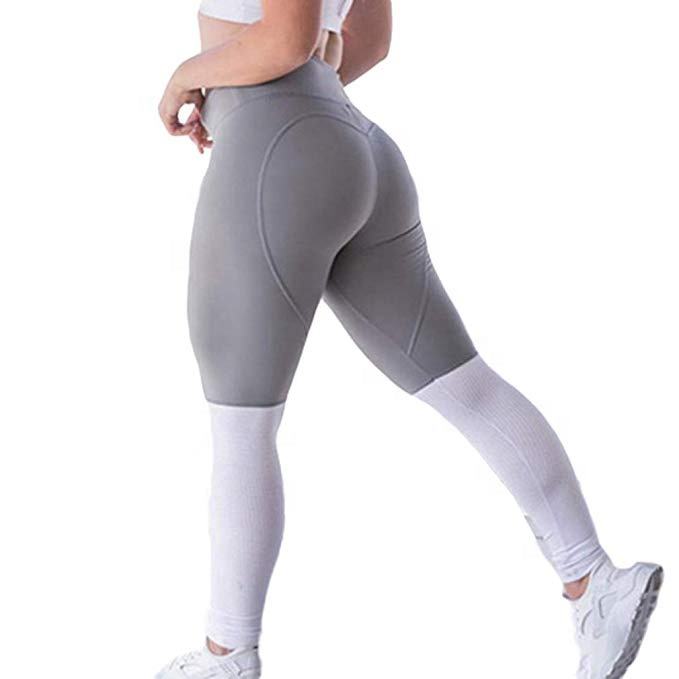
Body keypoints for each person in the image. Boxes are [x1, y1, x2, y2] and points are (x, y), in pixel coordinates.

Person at [156, 2, 663, 677]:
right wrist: (285, 93)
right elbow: (367, 40)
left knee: (242, 424)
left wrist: (188, 76)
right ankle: (594, 580)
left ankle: (227, 654)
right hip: (353, 144)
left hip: (275, 145)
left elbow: (284, 39)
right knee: (467, 386)